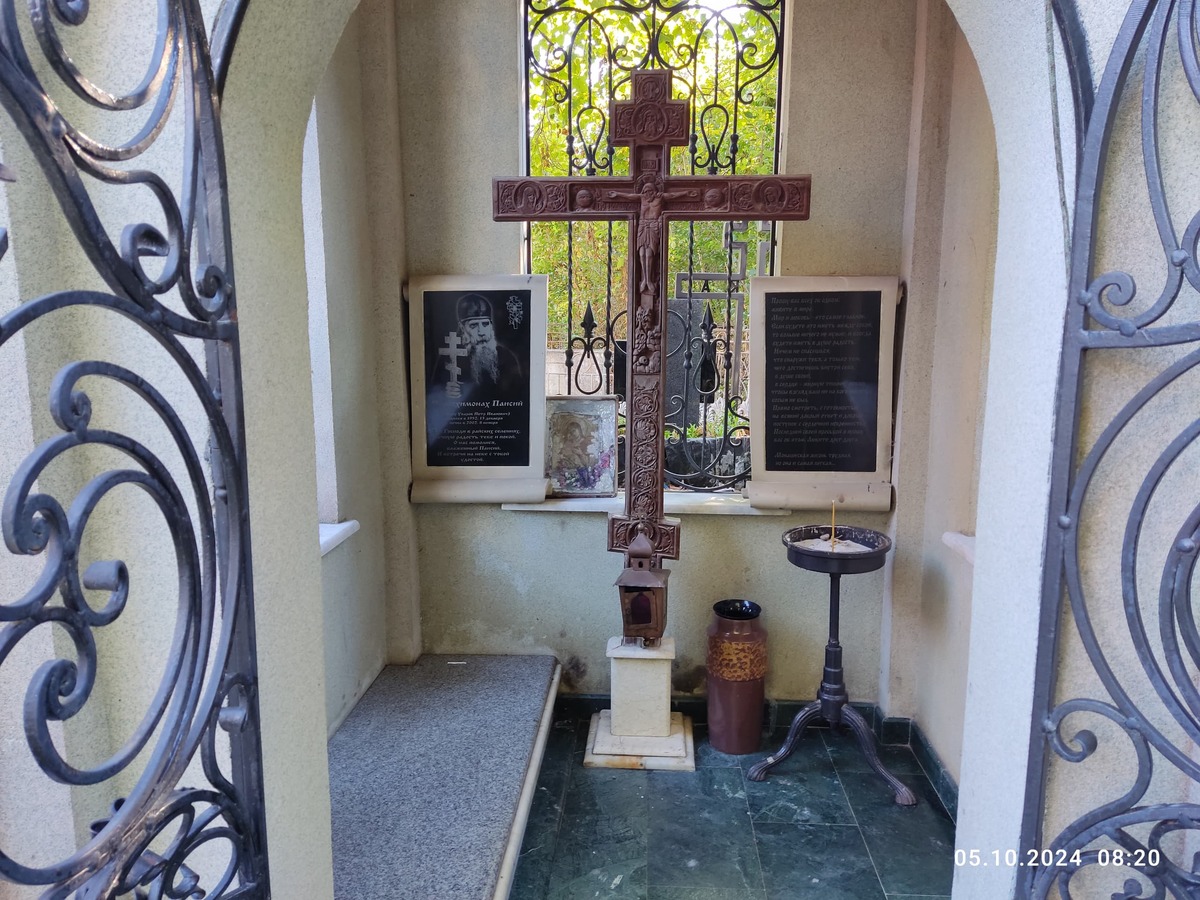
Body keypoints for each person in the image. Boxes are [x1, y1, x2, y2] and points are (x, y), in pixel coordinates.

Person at [454, 293, 524, 395]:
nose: (481, 332)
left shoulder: (505, 355)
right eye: (474, 325)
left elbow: (518, 392)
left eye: (485, 324)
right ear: (462, 327)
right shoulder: (452, 356)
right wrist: (449, 392)